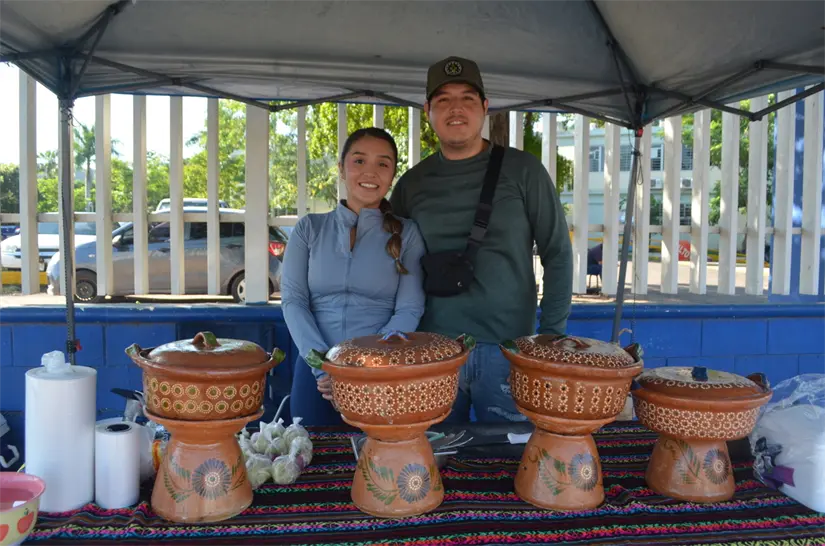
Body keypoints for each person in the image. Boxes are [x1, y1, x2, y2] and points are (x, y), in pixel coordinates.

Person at [389, 56, 573, 423]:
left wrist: (550, 341)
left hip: (508, 349)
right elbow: (389, 262)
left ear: (485, 108)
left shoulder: (524, 171)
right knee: (431, 466)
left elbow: (557, 253)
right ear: (428, 111)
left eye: (468, 99)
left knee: (510, 463)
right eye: (443, 100)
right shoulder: (412, 184)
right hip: (434, 351)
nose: (456, 109)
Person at [281, 128, 427, 425]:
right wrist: (322, 366)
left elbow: (410, 308)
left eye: (382, 163)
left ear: (392, 174)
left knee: (375, 464)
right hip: (315, 373)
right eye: (359, 161)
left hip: (379, 374)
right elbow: (293, 301)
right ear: (341, 168)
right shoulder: (310, 228)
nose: (370, 172)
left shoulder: (408, 233)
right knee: (309, 459)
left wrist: (367, 366)